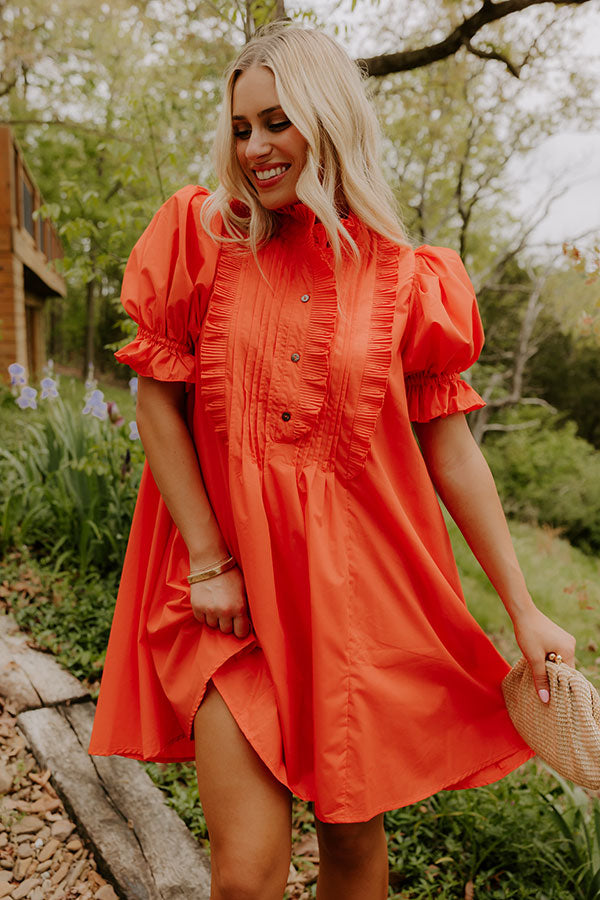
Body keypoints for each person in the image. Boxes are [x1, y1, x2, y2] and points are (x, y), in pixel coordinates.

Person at [89, 23, 576, 900]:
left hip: (355, 605)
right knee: (245, 877)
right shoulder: (202, 236)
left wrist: (524, 607)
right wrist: (208, 560)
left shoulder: (413, 281)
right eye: (242, 128)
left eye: (277, 122)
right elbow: (155, 399)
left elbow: (451, 450)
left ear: (329, 117)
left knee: (352, 853)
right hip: (228, 602)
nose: (254, 148)